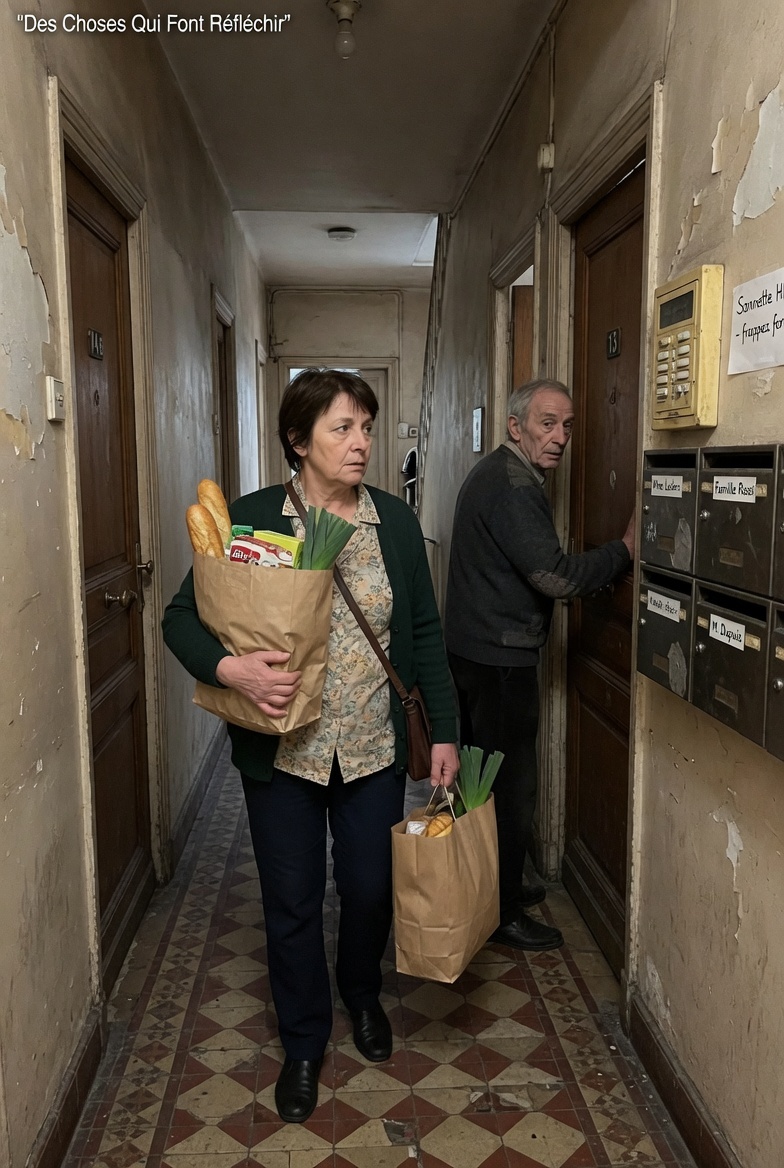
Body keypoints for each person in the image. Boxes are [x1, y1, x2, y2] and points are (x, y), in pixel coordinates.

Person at [162, 369, 458, 1124]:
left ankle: (361, 993)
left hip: (370, 749)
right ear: (299, 441)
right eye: (342, 429)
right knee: (290, 901)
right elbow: (180, 618)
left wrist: (447, 733)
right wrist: (228, 668)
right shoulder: (252, 517)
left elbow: (423, 635)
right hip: (281, 755)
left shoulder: (393, 523)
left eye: (366, 427)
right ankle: (302, 1039)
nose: (361, 443)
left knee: (367, 889)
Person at [444, 378, 634, 952]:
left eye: (568, 426)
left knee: (482, 782)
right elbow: (552, 576)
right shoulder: (511, 485)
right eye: (547, 423)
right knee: (511, 787)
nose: (560, 437)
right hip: (498, 662)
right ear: (515, 426)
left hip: (477, 652)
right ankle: (499, 912)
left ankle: (491, 886)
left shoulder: (505, 474)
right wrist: (625, 551)